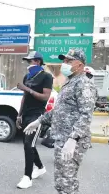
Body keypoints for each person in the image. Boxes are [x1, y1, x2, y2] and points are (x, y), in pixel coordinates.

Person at [24, 49, 96, 194]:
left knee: (67, 181)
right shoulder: (70, 82)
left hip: (72, 141)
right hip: (61, 138)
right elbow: (59, 110)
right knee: (61, 180)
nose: (65, 64)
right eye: (64, 61)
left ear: (80, 65)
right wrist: (39, 121)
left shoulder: (83, 84)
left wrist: (73, 138)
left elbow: (86, 115)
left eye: (69, 61)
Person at [15, 51, 53, 189]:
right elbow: (24, 97)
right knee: (29, 144)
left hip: (37, 115)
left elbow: (45, 97)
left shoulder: (46, 77)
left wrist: (28, 89)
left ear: (37, 61)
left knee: (28, 144)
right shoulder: (28, 76)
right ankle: (40, 167)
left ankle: (27, 177)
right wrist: (19, 115)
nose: (28, 64)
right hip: (26, 114)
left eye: (29, 61)